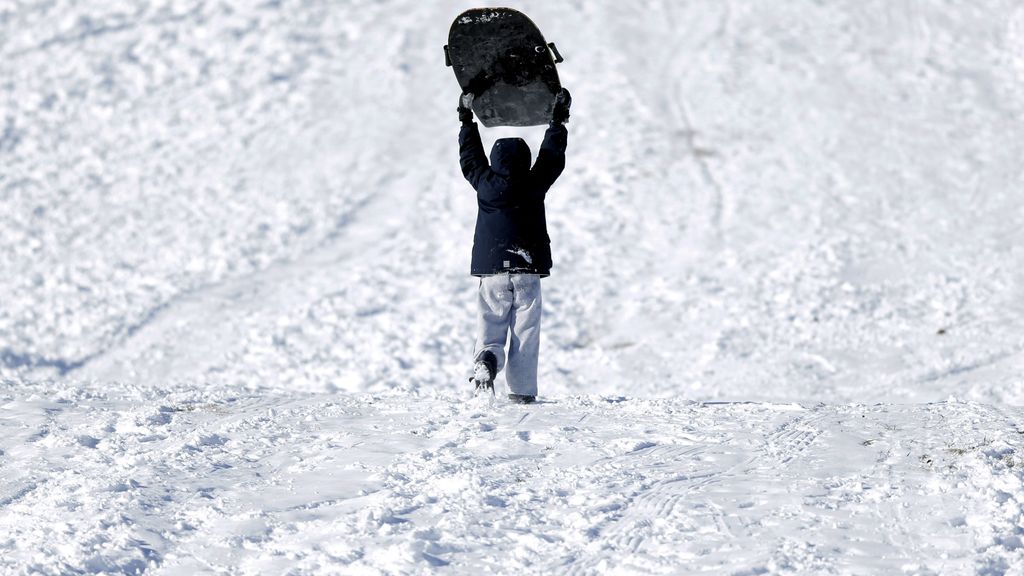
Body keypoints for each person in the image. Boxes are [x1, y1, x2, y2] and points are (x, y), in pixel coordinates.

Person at [457, 88, 571, 404]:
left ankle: (486, 363)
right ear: (526, 160)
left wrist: (466, 119)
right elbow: (552, 157)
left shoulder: (484, 183)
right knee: (526, 332)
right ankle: (521, 391)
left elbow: (469, 156)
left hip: (492, 271)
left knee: (490, 327)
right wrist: (558, 120)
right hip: (527, 269)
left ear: (494, 161)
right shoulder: (535, 183)